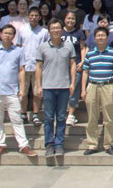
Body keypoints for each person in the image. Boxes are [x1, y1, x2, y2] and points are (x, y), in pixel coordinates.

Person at [0, 24, 37, 157]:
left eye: (10, 33)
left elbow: (21, 70)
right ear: (1, 34)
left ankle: (23, 145)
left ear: (14, 36)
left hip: (12, 91)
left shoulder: (19, 51)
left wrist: (22, 89)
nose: (7, 36)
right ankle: (0, 144)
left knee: (17, 120)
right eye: (5, 33)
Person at [35, 18, 76, 158]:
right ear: (49, 31)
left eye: (58, 28)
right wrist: (39, 86)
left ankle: (59, 144)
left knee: (61, 117)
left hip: (64, 86)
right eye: (53, 28)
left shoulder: (69, 46)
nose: (55, 31)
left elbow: (72, 65)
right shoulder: (42, 47)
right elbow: (38, 67)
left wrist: (72, 83)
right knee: (48, 117)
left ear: (62, 30)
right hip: (48, 87)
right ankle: (49, 144)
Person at [81, 27, 113, 156]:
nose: (100, 37)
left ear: (107, 37)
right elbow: (85, 71)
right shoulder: (90, 53)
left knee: (108, 117)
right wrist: (83, 89)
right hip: (92, 86)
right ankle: (92, 144)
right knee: (92, 117)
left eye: (103, 35)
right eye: (98, 35)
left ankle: (109, 144)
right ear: (94, 38)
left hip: (108, 86)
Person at [15, 6, 49, 126]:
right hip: (24, 66)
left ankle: (35, 115)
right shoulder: (22, 30)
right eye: (32, 15)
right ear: (28, 16)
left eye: (36, 16)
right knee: (23, 91)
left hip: (38, 66)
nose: (34, 18)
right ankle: (23, 114)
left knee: (37, 92)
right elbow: (18, 46)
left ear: (39, 17)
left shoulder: (44, 32)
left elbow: (47, 49)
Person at [62, 11, 85, 127]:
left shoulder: (79, 33)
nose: (70, 20)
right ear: (64, 19)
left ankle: (71, 114)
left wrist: (82, 61)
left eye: (73, 19)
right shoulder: (60, 31)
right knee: (62, 89)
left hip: (75, 65)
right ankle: (62, 113)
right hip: (61, 65)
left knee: (74, 89)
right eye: (68, 18)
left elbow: (82, 48)